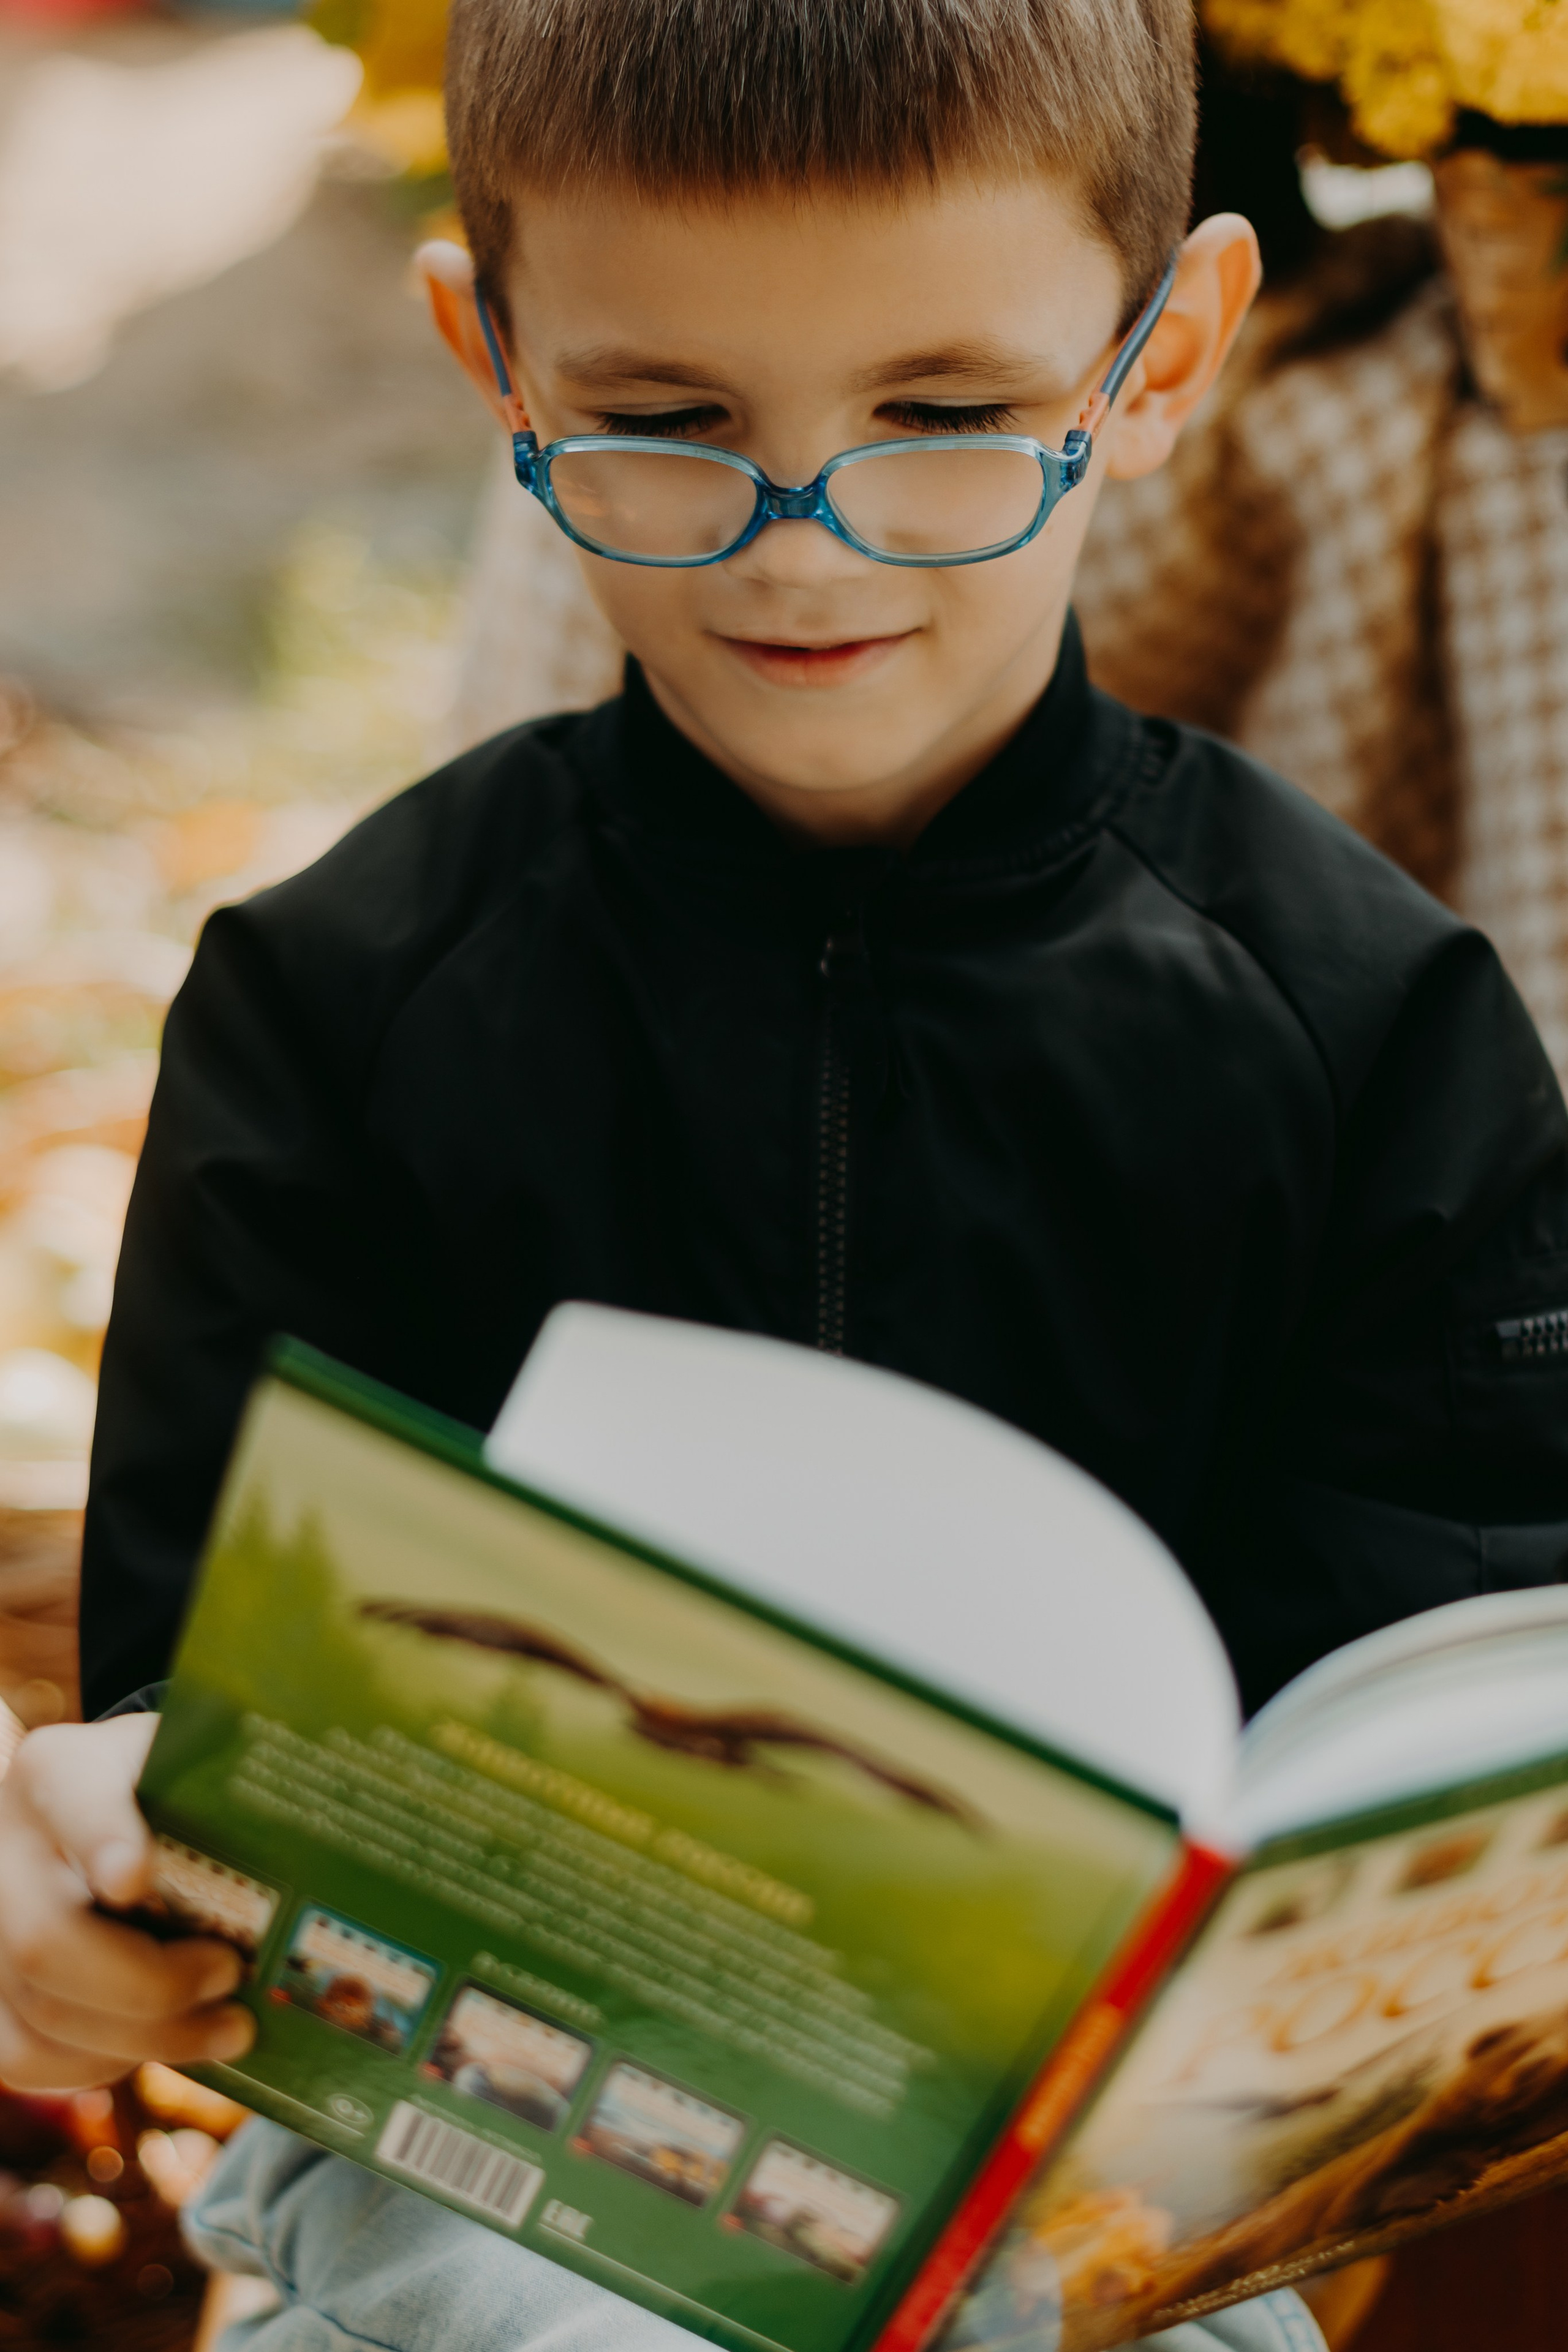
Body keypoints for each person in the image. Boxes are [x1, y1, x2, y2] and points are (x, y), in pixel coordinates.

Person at [3, 0, 1567, 2346]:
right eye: (668, 423)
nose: (804, 541)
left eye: (942, 416)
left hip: (1094, 2245)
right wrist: (80, 1876)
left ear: (1163, 361)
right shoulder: (343, 1001)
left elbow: (1441, 1721)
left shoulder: (1374, 1024)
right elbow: (188, 1713)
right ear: (493, 357)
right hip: (489, 2187)